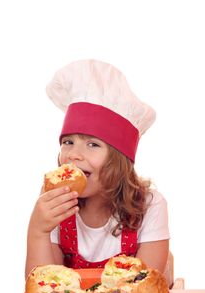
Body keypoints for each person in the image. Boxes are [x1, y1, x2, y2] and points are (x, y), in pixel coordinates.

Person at [25, 59, 170, 280]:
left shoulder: (150, 205)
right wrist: (38, 231)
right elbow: (43, 285)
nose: (74, 154)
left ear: (120, 159)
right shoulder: (54, 203)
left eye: (92, 144)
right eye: (68, 142)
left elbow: (144, 288)